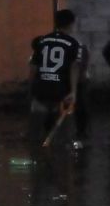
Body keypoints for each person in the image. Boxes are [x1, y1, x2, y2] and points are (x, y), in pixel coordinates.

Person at [29, 9, 83, 144]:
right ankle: (58, 159)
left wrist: (32, 88)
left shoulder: (43, 41)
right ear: (71, 24)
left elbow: (33, 67)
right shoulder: (73, 43)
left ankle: (36, 156)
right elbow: (74, 67)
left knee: (36, 132)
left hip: (41, 90)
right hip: (61, 91)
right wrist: (74, 92)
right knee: (63, 135)